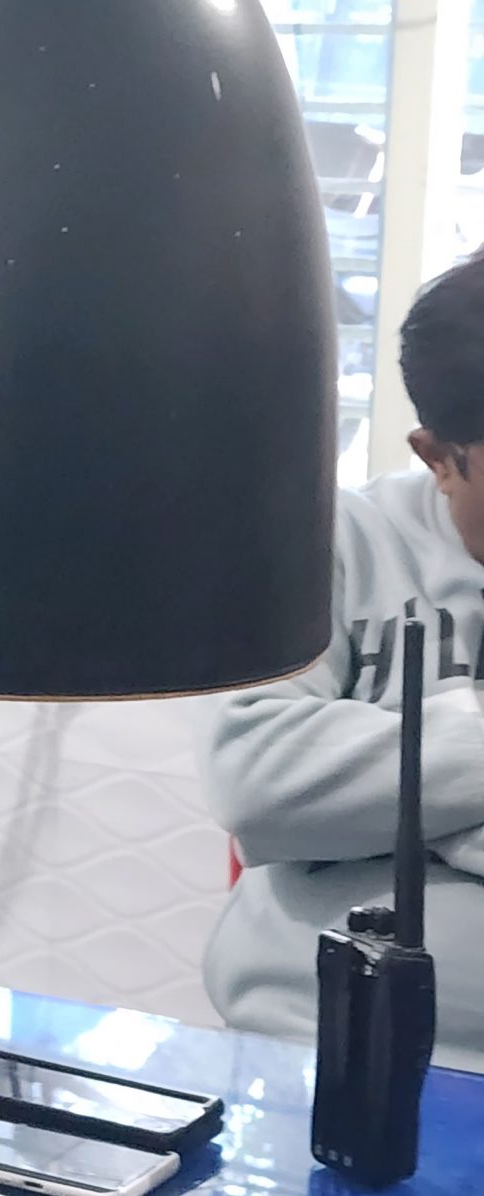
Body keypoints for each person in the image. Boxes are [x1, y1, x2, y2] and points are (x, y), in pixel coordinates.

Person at [205, 254, 484, 1072]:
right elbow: (259, 781)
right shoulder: (327, 544)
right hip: (309, 1048)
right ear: (437, 456)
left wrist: (389, 799)